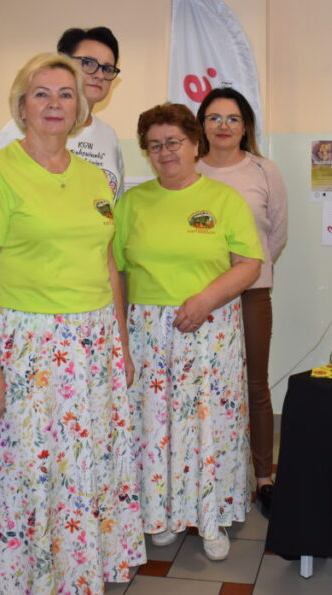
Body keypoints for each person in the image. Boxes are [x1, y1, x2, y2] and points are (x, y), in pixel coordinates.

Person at [0, 53, 144, 592]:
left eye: (66, 94)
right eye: (42, 93)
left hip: (95, 345)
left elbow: (108, 265)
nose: (55, 103)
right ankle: (31, 579)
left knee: (88, 468)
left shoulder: (95, 177)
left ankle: (80, 572)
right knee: (33, 474)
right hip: (29, 348)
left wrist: (121, 346)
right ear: (21, 106)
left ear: (82, 109)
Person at [114, 103, 263, 561]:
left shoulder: (224, 201)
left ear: (194, 144)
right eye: (154, 145)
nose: (165, 152)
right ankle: (159, 513)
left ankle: (210, 515)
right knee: (155, 426)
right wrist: (121, 338)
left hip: (209, 328)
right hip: (147, 332)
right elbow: (115, 273)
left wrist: (203, 301)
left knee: (205, 426)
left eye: (173, 142)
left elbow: (249, 265)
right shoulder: (131, 204)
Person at [195, 87, 287, 518]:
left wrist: (250, 271)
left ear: (246, 125)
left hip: (251, 293)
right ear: (201, 125)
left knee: (255, 384)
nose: (224, 126)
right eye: (214, 118)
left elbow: (276, 235)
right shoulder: (190, 171)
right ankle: (206, 473)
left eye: (232, 118)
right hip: (202, 297)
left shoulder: (264, 170)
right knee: (206, 389)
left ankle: (263, 477)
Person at [0, 27, 125, 197]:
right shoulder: (20, 129)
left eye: (107, 68)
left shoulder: (108, 136)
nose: (99, 74)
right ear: (63, 64)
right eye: (88, 63)